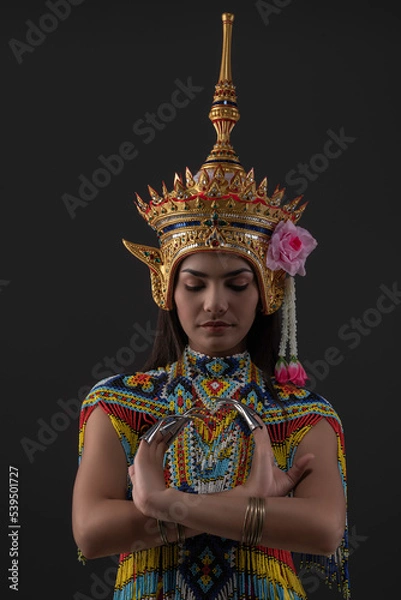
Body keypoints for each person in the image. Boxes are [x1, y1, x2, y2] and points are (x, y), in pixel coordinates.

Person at [72, 13, 350, 600]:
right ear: (166, 288)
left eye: (238, 284)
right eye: (195, 283)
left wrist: (162, 503)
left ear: (270, 291)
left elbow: (324, 530)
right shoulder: (121, 403)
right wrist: (251, 510)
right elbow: (91, 532)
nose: (215, 303)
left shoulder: (300, 413)